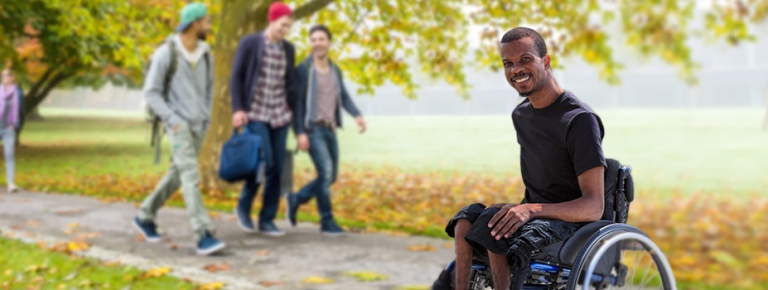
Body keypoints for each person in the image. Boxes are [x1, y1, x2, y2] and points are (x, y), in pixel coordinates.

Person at [446, 27, 606, 289]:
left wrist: (529, 210)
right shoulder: (521, 115)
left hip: (571, 224)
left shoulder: (579, 120)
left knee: (493, 229)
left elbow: (593, 207)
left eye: (525, 59)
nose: (515, 70)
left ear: (546, 61)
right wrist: (517, 208)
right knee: (465, 221)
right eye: (507, 64)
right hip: (534, 213)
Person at [132, 2, 225, 256]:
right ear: (195, 24)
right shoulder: (167, 52)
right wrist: (173, 120)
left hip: (199, 125)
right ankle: (202, 233)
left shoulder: (207, 53)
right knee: (190, 175)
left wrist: (205, 118)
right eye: (206, 20)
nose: (209, 24)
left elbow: (209, 90)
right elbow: (151, 93)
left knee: (178, 173)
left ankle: (145, 215)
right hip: (178, 124)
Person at [286, 25, 367, 236]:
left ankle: (296, 199)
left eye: (321, 39)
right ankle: (326, 220)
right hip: (313, 129)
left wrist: (357, 115)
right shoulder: (303, 69)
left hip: (331, 129)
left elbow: (345, 97)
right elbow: (298, 104)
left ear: (329, 42)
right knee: (326, 172)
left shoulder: (334, 70)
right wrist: (300, 132)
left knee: (330, 176)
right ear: (310, 43)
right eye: (313, 39)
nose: (317, 43)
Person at [230, 2, 298, 236]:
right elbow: (236, 76)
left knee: (278, 168)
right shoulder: (250, 43)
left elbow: (290, 82)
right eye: (282, 25)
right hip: (255, 112)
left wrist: (291, 108)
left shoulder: (289, 49)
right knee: (263, 162)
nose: (285, 30)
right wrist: (238, 109)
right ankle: (243, 206)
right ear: (272, 20)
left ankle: (267, 219)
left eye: (288, 27)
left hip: (279, 114)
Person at [0, 68, 20, 193]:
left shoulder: (16, 92)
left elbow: (17, 109)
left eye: (7, 75)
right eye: (2, 76)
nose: (4, 78)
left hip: (8, 128)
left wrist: (14, 123)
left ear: (12, 77)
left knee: (9, 154)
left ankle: (11, 183)